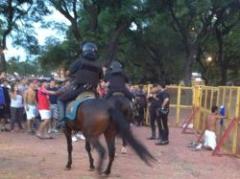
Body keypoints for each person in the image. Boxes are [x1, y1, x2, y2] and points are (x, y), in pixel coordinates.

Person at [58, 41, 103, 122]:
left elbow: (69, 73)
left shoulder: (79, 61)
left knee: (61, 100)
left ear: (84, 50)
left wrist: (69, 76)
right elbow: (100, 78)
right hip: (93, 91)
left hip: (80, 90)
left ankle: (61, 121)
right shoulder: (98, 64)